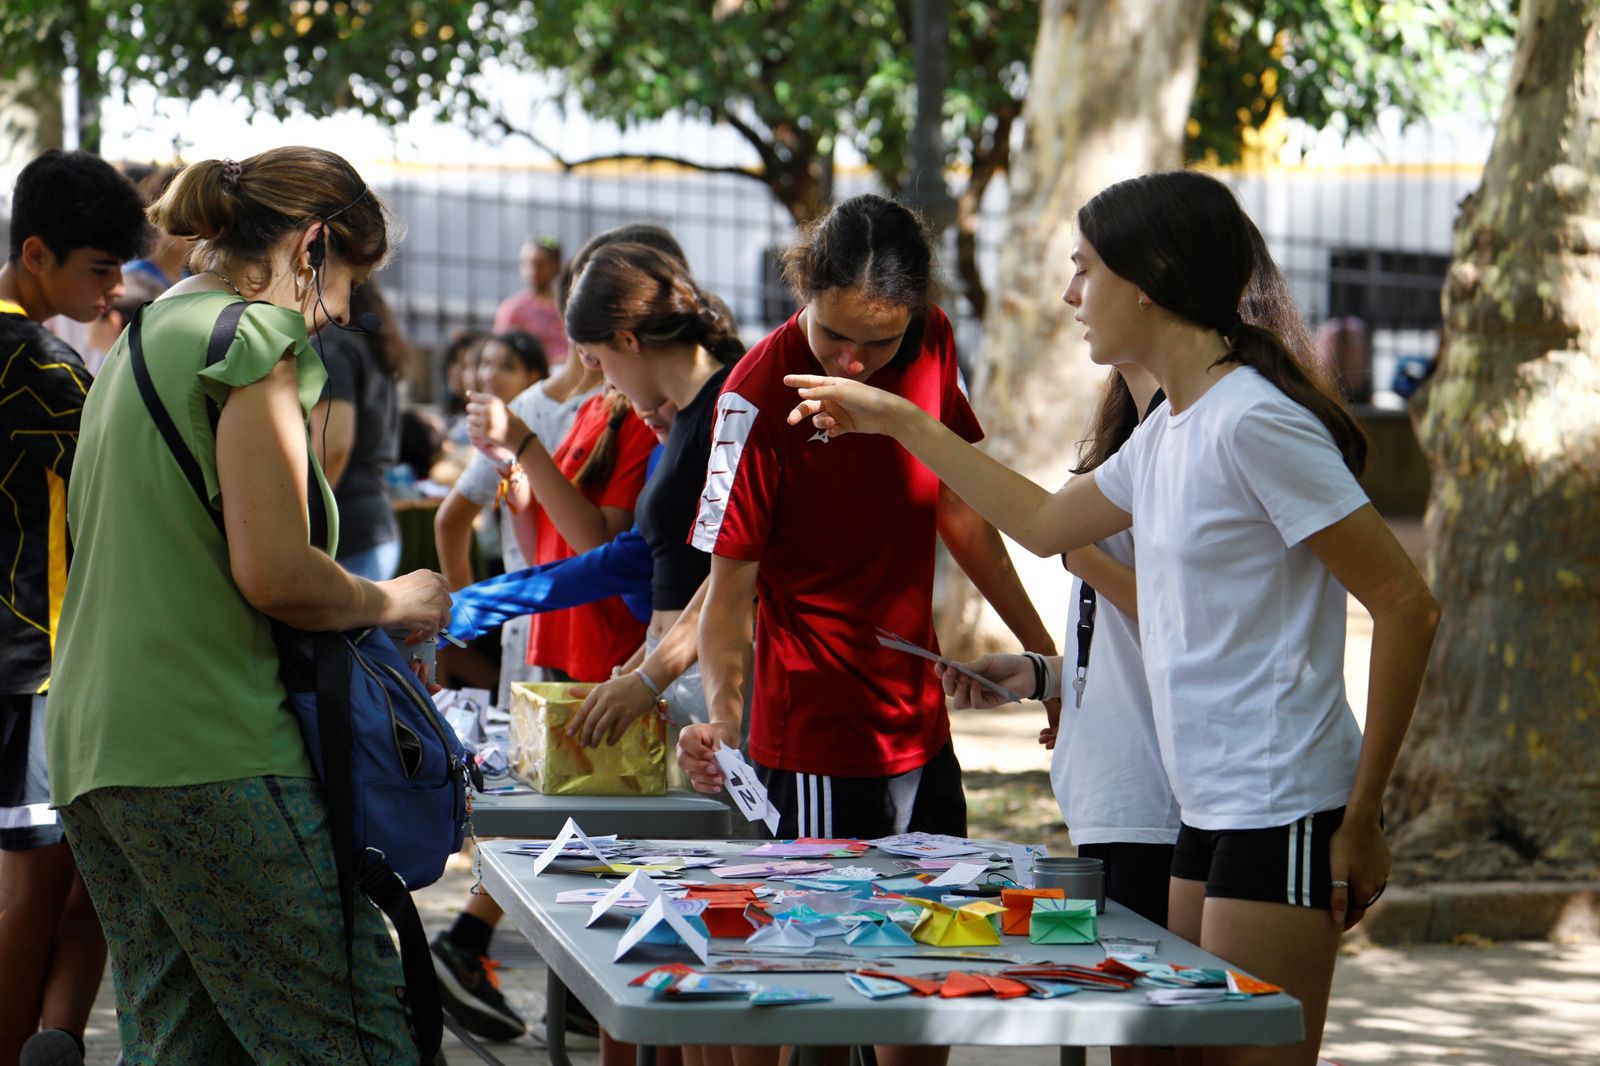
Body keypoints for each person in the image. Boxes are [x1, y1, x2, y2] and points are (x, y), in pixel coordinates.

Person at [784, 170, 1439, 1066]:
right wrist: (899, 420)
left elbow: (1406, 605)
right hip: (1201, 810)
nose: (1069, 293)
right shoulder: (1170, 429)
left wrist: (1362, 817)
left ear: (1149, 277)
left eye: (1084, 269)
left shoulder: (1254, 420)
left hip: (1283, 802)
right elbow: (1047, 523)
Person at [45, 148, 452, 1064]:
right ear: (311, 246)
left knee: (189, 1043)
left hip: (97, 750)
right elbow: (277, 572)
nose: (343, 313)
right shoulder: (252, 340)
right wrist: (394, 597)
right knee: (352, 1035)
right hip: (209, 745)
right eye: (346, 281)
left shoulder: (145, 334)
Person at [0, 148, 144, 1066]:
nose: (114, 289)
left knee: (85, 881)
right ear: (39, 253)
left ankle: (52, 1041)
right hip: (41, 666)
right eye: (99, 269)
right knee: (43, 892)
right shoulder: (36, 366)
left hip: (34, 661)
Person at [558, 242, 747, 753]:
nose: (608, 383)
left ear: (627, 339)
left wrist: (648, 677)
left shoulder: (728, 409)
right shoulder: (687, 415)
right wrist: (644, 668)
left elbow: (734, 578)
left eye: (601, 362)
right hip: (679, 674)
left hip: (719, 686)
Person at [312, 280, 409, 580]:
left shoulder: (333, 345)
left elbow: (335, 446)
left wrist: (297, 516)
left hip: (347, 533)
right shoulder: (368, 346)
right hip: (374, 527)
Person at [494, 234, 568, 366]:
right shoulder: (512, 308)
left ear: (556, 266)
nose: (532, 270)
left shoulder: (569, 304)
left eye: (540, 263)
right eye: (526, 263)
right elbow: (501, 352)